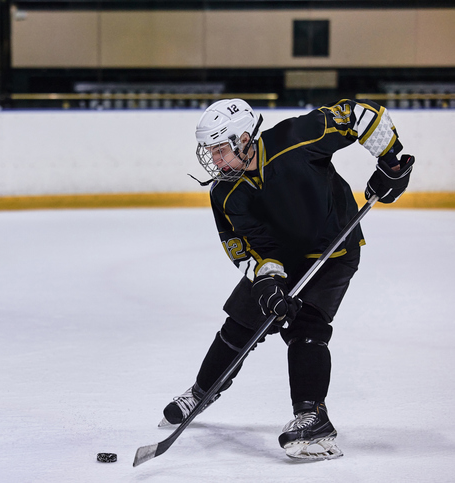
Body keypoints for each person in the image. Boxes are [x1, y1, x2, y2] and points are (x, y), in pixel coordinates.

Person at [161, 99, 414, 460]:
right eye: (210, 152)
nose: (214, 161)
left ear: (243, 139)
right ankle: (202, 391)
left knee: (306, 328)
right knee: (240, 326)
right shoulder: (225, 192)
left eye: (219, 150)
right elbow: (250, 246)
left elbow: (361, 116)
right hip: (283, 258)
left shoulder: (298, 136)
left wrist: (391, 162)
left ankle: (312, 416)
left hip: (334, 250)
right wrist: (268, 284)